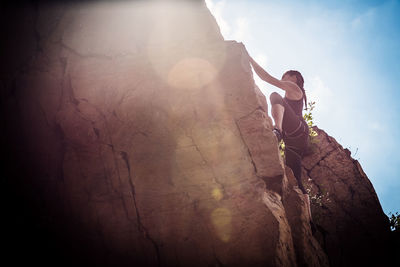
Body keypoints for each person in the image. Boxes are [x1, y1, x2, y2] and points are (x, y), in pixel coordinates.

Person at [245, 50, 309, 194]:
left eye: (284, 77)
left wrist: (249, 58)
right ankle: (308, 214)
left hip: (297, 130)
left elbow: (266, 77)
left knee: (274, 95)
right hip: (295, 143)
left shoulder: (295, 89)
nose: (282, 79)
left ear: (294, 77)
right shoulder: (290, 98)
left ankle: (278, 131)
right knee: (296, 179)